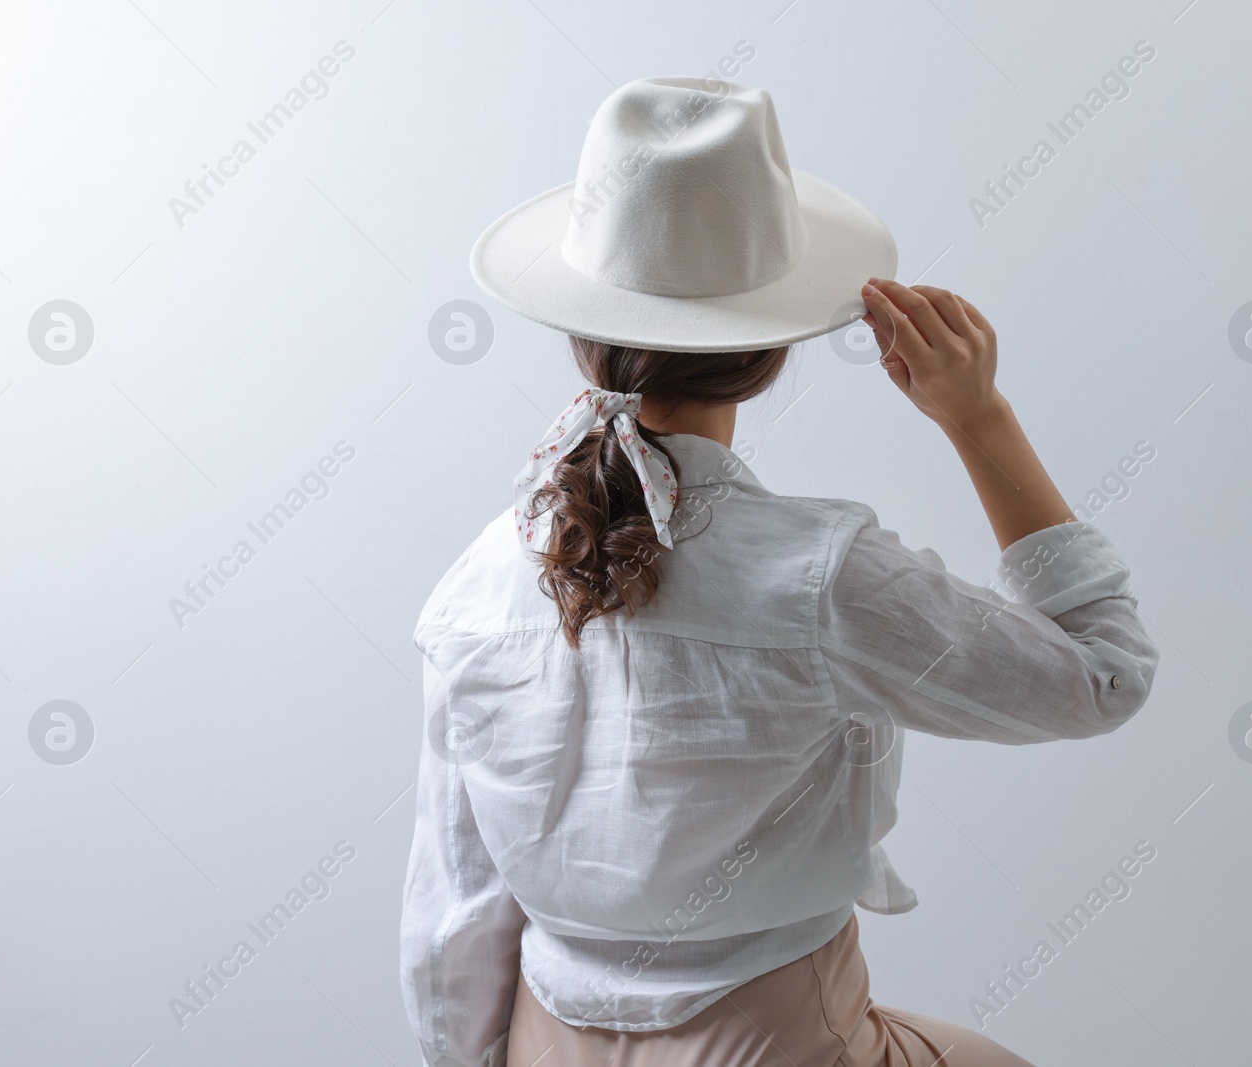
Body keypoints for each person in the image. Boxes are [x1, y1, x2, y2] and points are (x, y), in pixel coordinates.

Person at [401, 75, 1159, 1067]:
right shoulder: (822, 575)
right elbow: (1102, 678)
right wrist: (979, 418)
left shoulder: (474, 582)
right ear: (765, 355)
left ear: (579, 333)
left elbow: (450, 911)